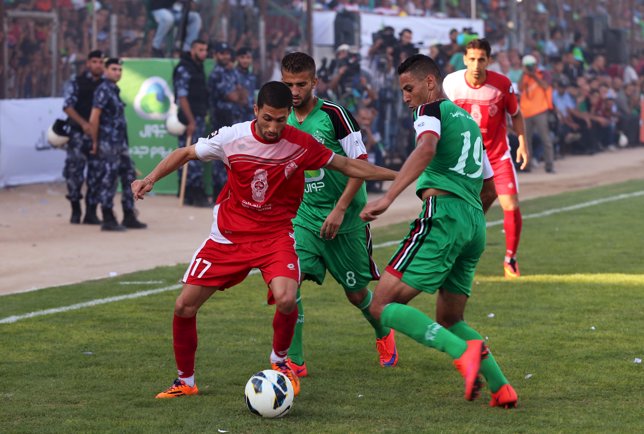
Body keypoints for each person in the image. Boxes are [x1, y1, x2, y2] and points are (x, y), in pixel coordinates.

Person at [131, 81, 397, 399]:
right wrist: (148, 179)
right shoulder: (232, 137)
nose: (273, 127)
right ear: (255, 111)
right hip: (229, 236)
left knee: (287, 298)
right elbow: (186, 153)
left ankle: (280, 363)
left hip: (275, 235)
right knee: (184, 306)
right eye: (267, 118)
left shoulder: (301, 144)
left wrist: (404, 175)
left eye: (281, 120)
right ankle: (185, 382)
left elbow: (348, 164)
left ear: (288, 116)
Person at [361, 54, 518, 408]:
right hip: (474, 223)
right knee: (450, 318)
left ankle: (464, 355)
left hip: (443, 216)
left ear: (431, 82)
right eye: (402, 90)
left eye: (409, 87)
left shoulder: (430, 111)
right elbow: (490, 187)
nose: (406, 97)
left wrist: (388, 197)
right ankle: (502, 388)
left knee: (380, 304)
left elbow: (426, 148)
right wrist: (466, 221)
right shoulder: (470, 124)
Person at [280, 52, 398, 377]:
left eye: (301, 84)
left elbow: (359, 166)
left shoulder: (335, 115)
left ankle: (383, 331)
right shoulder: (281, 117)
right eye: (288, 84)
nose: (294, 90)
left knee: (357, 294)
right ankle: (295, 360)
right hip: (304, 220)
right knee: (289, 283)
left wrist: (340, 208)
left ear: (315, 82)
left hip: (345, 222)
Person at [443, 39, 529, 278]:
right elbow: (441, 118)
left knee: (510, 204)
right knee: (460, 208)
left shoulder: (502, 84)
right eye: (471, 59)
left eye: (481, 59)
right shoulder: (451, 84)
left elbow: (516, 115)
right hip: (465, 158)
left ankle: (510, 259)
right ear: (464, 59)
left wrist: (522, 143)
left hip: (497, 154)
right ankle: (455, 251)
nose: (476, 64)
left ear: (488, 61)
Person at [89, 58, 147, 231]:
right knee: (109, 180)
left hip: (119, 144)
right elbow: (94, 117)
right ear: (106, 70)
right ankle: (107, 217)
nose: (117, 72)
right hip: (108, 144)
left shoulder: (114, 89)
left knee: (129, 176)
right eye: (114, 69)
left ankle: (129, 214)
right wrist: (94, 142)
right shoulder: (103, 89)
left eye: (120, 70)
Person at [61, 49, 104, 225]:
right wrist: (84, 124)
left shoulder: (105, 85)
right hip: (78, 135)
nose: (98, 65)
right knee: (74, 174)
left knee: (96, 174)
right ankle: (75, 210)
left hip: (97, 136)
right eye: (94, 62)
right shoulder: (77, 83)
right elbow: (68, 106)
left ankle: (91, 212)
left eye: (101, 62)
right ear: (88, 64)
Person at [172, 39, 210, 207]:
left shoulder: (198, 67)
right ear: (192, 50)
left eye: (205, 50)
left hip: (198, 116)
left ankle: (193, 192)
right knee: (190, 154)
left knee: (198, 154)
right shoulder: (184, 68)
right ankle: (190, 192)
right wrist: (191, 121)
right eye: (200, 49)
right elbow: (182, 97)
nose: (204, 53)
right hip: (189, 118)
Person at [208, 41, 242, 201]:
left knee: (235, 157)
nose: (225, 56)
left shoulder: (232, 72)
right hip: (221, 119)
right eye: (222, 53)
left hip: (234, 119)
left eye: (227, 53)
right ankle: (218, 194)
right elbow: (234, 96)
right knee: (220, 156)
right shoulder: (217, 74)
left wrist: (238, 93)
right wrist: (237, 94)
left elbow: (243, 97)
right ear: (215, 55)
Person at [519, 54, 555, 173]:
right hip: (526, 112)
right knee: (526, 140)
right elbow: (519, 87)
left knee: (545, 139)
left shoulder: (543, 73)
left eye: (532, 65)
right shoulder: (524, 76)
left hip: (540, 111)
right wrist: (524, 74)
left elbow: (545, 86)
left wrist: (533, 75)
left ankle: (549, 166)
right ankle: (527, 165)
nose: (530, 68)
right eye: (528, 66)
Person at [234, 46, 257, 122]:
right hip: (237, 115)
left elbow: (252, 95)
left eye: (248, 57)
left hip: (250, 115)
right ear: (237, 58)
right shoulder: (233, 75)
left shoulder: (252, 77)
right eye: (242, 57)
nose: (245, 60)